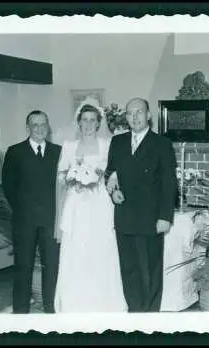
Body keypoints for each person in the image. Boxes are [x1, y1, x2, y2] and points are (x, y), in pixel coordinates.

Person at [54, 98, 128, 313]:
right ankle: (75, 303)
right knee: (76, 249)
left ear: (98, 123)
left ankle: (104, 303)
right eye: (84, 120)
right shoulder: (69, 146)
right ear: (78, 123)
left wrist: (99, 181)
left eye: (92, 120)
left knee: (100, 249)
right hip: (76, 205)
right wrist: (72, 179)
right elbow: (60, 174)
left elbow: (113, 174)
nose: (88, 124)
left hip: (100, 204)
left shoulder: (107, 145)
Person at [105, 97, 178, 312]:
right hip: (124, 216)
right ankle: (135, 313)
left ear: (148, 116)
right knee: (129, 269)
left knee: (150, 271)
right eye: (130, 113)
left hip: (151, 218)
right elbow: (110, 174)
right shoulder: (117, 142)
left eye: (139, 112)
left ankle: (150, 318)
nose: (135, 117)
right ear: (126, 117)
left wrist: (165, 216)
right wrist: (114, 192)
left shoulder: (162, 144)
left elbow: (169, 183)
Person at [1, 110, 62, 314]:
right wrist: (23, 210)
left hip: (50, 221)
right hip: (24, 221)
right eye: (35, 125)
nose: (39, 129)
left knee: (51, 267)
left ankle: (50, 309)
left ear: (48, 126)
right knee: (23, 267)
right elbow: (8, 187)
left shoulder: (58, 152)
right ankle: (20, 312)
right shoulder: (15, 152)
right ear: (28, 128)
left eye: (43, 124)